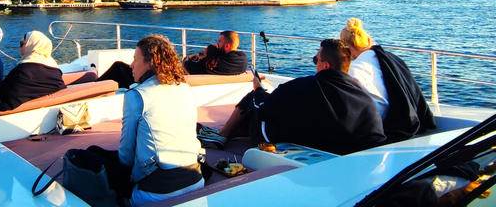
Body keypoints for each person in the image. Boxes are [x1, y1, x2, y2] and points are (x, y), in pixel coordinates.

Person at [198, 39, 386, 155]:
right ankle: (226, 133)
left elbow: (264, 110)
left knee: (255, 101)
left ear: (326, 65)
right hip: (342, 151)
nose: (315, 64)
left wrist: (258, 90)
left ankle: (222, 136)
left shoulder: (305, 85)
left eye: (315, 60)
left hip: (288, 143)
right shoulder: (363, 96)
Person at [88, 35, 204, 206]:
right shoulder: (185, 88)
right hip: (196, 180)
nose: (131, 65)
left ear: (150, 63)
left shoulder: (137, 96)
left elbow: (126, 157)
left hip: (157, 192)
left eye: (135, 59)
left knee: (91, 158)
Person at [340, 18, 436, 142]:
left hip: (385, 125)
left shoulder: (354, 70)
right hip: (411, 118)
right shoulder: (390, 59)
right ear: (368, 40)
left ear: (345, 47)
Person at [98, 30, 247, 89]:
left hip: (163, 79)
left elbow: (186, 66)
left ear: (227, 46)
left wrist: (200, 57)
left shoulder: (207, 64)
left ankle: (93, 88)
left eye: (219, 42)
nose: (217, 43)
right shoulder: (241, 61)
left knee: (119, 68)